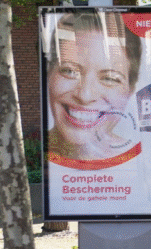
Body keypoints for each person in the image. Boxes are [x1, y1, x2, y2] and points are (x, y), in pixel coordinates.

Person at [46, 11, 143, 166]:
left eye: (109, 78)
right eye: (70, 71)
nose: (84, 95)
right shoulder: (29, 155)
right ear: (49, 74)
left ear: (130, 89)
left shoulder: (142, 161)